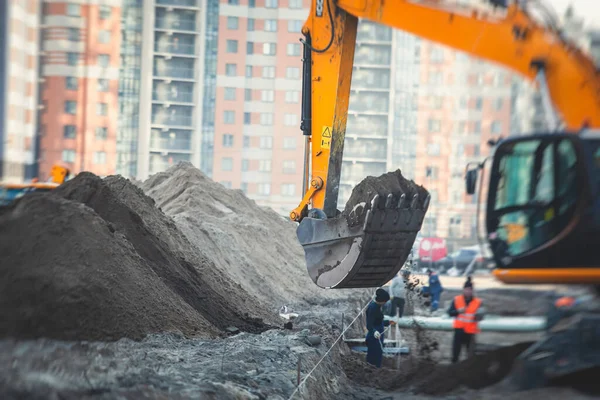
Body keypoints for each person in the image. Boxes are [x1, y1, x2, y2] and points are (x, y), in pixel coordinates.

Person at [447, 276, 484, 363]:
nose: (468, 291)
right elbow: (450, 312)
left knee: (470, 355)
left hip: (470, 332)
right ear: (463, 290)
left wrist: (478, 316)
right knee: (455, 353)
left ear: (472, 291)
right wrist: (458, 311)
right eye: (466, 289)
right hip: (459, 331)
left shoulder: (477, 302)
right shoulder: (457, 300)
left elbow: (481, 316)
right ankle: (454, 368)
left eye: (470, 290)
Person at [365, 288, 393, 368]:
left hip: (378, 335)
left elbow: (378, 321)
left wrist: (388, 322)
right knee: (373, 356)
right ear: (382, 301)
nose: (385, 303)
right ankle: (372, 372)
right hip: (373, 337)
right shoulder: (372, 308)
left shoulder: (377, 307)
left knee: (378, 355)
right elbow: (369, 325)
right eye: (385, 301)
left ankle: (377, 371)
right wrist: (374, 331)